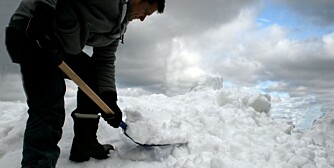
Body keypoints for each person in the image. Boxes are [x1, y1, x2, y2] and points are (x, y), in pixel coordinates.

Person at [5, 0, 165, 167]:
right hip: (32, 33)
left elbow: (105, 61)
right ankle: (37, 163)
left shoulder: (118, 27)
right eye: (146, 12)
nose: (142, 19)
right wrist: (43, 11)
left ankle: (85, 144)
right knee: (49, 104)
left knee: (93, 76)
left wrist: (109, 98)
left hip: (58, 45)